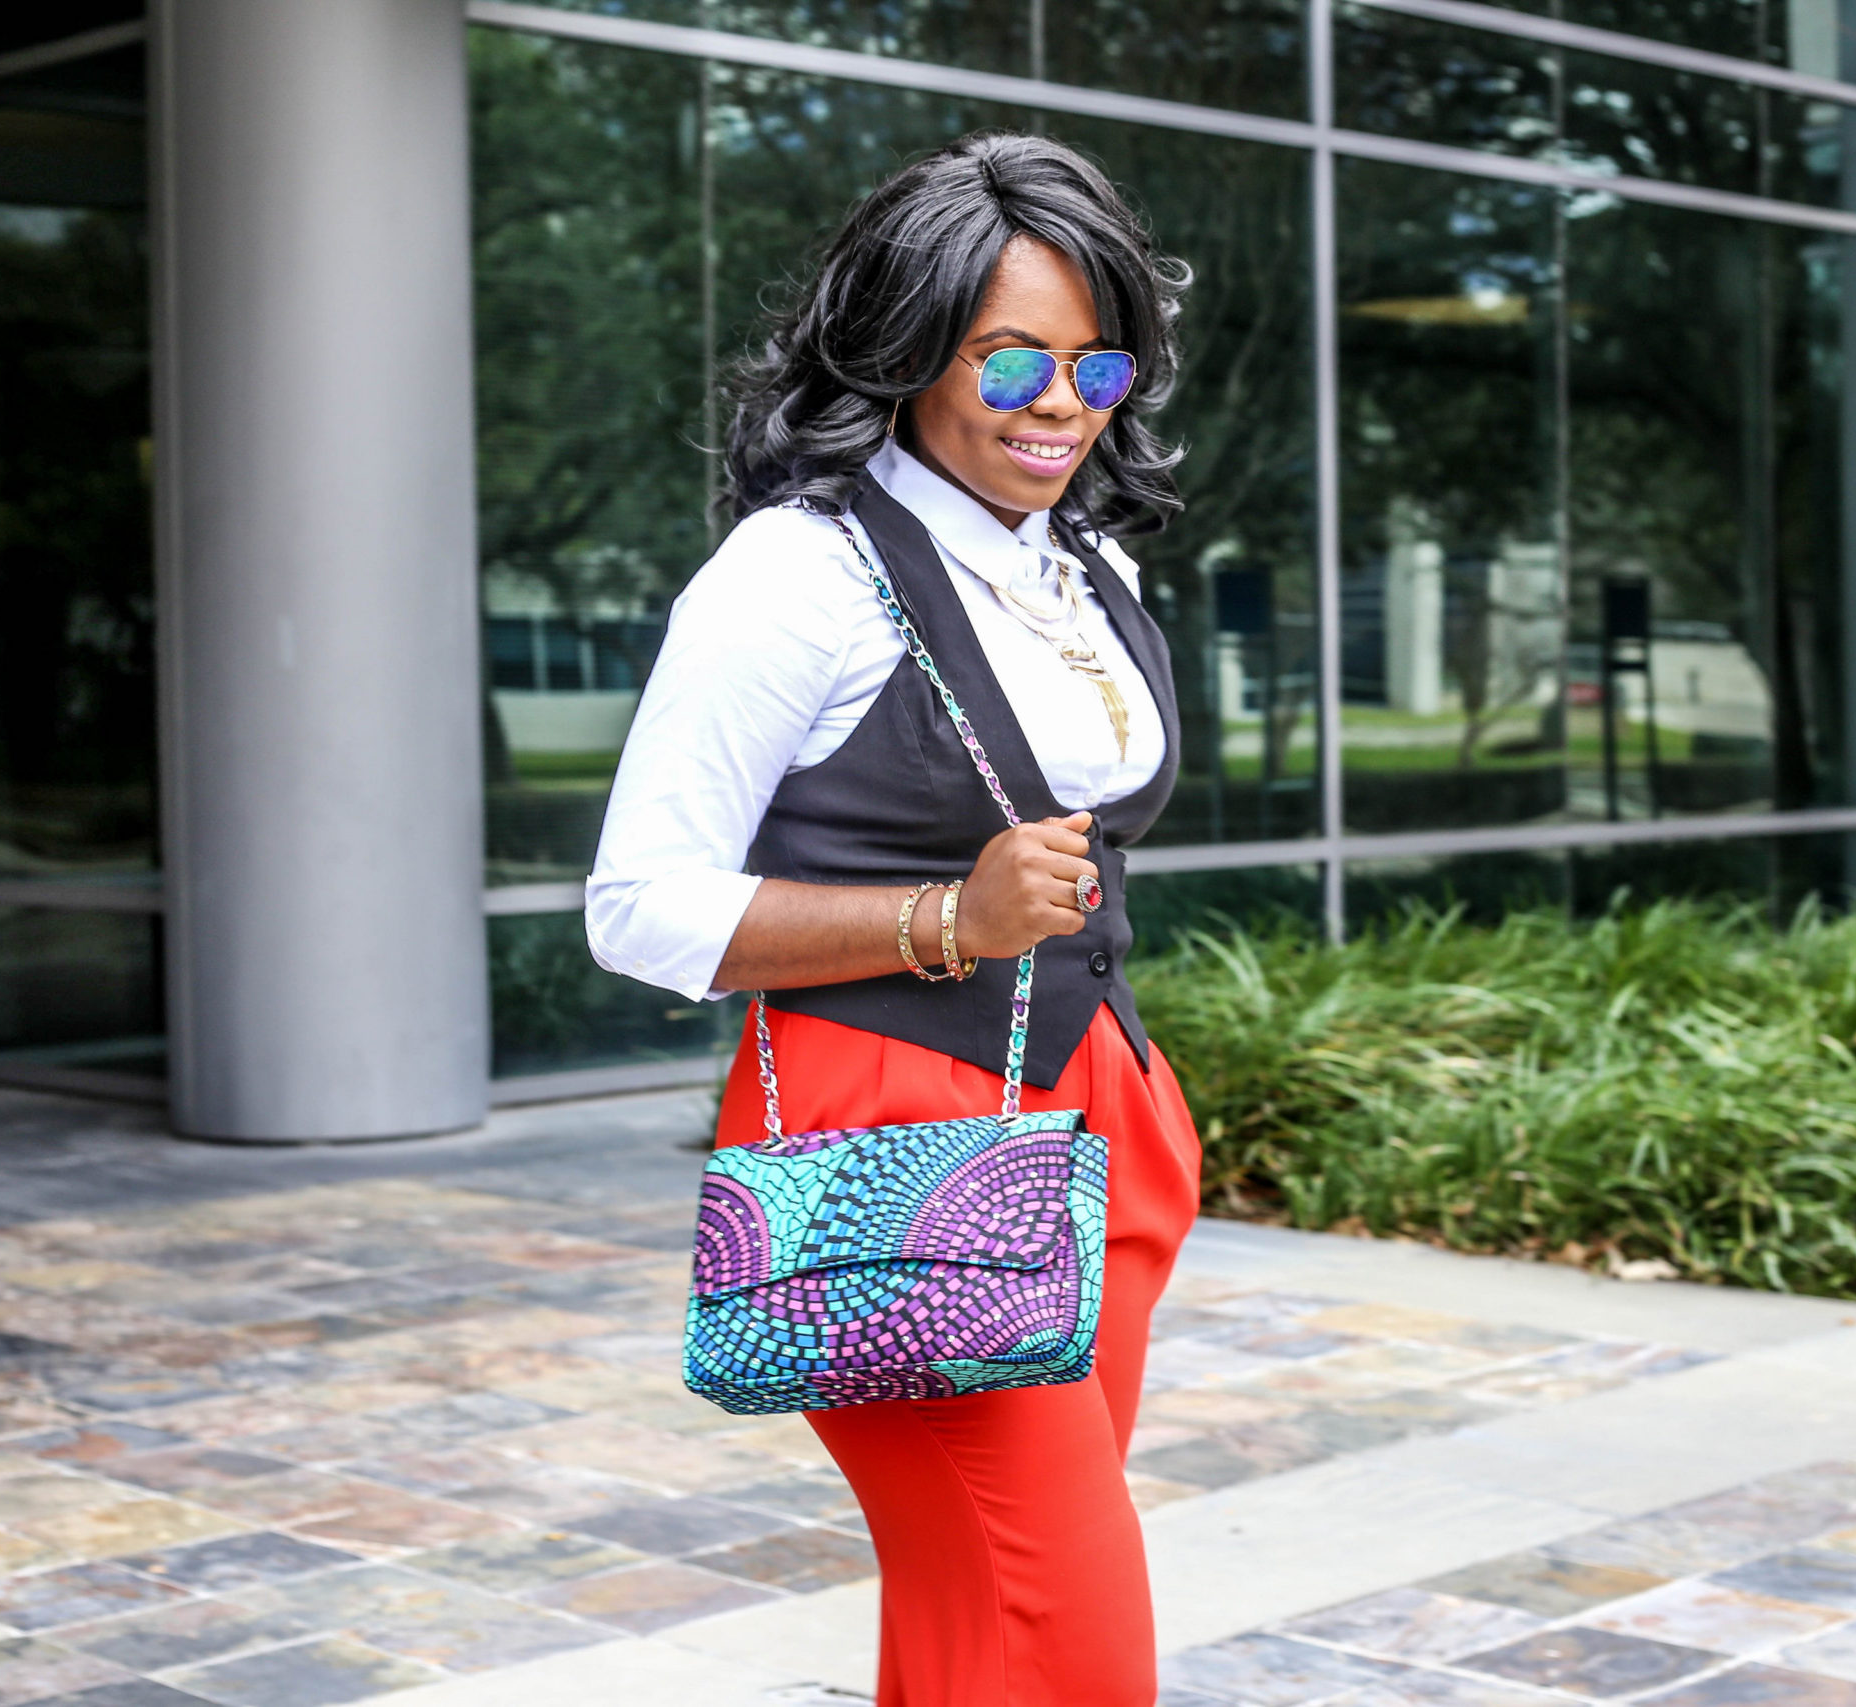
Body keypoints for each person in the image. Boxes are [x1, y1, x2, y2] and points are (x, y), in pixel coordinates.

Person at [585, 131, 1201, 1707]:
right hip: (893, 1146)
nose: (1061, 406)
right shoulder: (796, 579)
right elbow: (639, 910)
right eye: (1012, 365)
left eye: (1095, 364)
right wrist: (951, 915)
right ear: (910, 352)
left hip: (1093, 1121)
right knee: (1066, 1633)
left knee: (979, 1611)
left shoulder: (1084, 561)